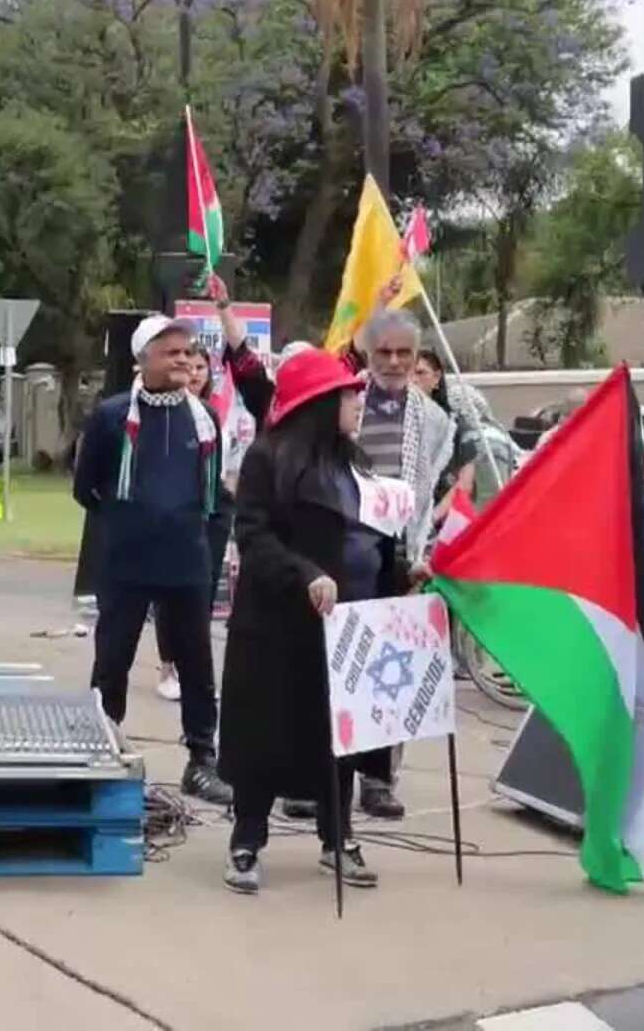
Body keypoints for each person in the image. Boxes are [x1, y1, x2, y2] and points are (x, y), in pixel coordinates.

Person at [218, 348, 410, 894]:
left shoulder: (357, 465)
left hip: (348, 627)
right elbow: (253, 537)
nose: (359, 401)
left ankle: (338, 837)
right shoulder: (267, 458)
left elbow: (371, 536)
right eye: (349, 393)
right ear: (321, 403)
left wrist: (401, 571)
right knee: (264, 738)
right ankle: (246, 841)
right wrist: (304, 573)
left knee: (339, 741)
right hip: (276, 628)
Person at [72, 314, 233, 806]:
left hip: (187, 561)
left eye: (188, 351)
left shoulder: (204, 419)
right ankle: (102, 744)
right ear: (143, 359)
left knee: (196, 662)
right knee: (113, 656)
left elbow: (212, 493)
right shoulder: (112, 415)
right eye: (171, 351)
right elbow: (86, 487)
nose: (184, 359)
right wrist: (130, 520)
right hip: (125, 560)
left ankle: (202, 759)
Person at [344, 307, 466, 820]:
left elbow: (439, 490)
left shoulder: (436, 421)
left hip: (399, 557)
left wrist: (421, 553)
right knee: (337, 665)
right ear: (367, 354)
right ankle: (316, 777)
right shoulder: (344, 405)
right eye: (383, 352)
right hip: (344, 549)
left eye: (404, 353)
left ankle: (378, 778)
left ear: (418, 358)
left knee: (388, 671)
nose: (393, 362)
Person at [152, 303, 273, 703]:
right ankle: (169, 665)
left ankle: (196, 674)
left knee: (202, 590)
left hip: (218, 507)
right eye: (188, 363)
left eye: (201, 365)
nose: (194, 370)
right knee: (171, 591)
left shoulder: (221, 409)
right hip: (177, 513)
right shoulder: (163, 408)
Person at [413, 348, 520, 505]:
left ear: (437, 377)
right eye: (408, 373)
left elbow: (464, 485)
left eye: (420, 373)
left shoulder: (456, 428)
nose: (413, 380)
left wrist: (432, 519)